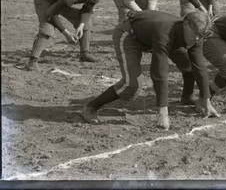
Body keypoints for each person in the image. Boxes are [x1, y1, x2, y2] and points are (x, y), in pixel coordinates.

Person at [82, 10, 217, 129]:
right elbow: (159, 72)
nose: (197, 39)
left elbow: (199, 67)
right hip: (130, 35)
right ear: (185, 24)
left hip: (152, 37)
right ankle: (91, 107)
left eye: (200, 36)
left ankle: (187, 98)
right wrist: (163, 113)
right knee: (132, 85)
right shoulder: (165, 32)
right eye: (195, 35)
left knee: (188, 66)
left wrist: (205, 100)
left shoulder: (196, 35)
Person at [26, 0, 107, 71]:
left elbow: (87, 9)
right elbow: (51, 14)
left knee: (86, 22)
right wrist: (66, 33)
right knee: (48, 27)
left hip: (60, 1)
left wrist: (81, 26)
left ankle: (84, 54)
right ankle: (32, 62)